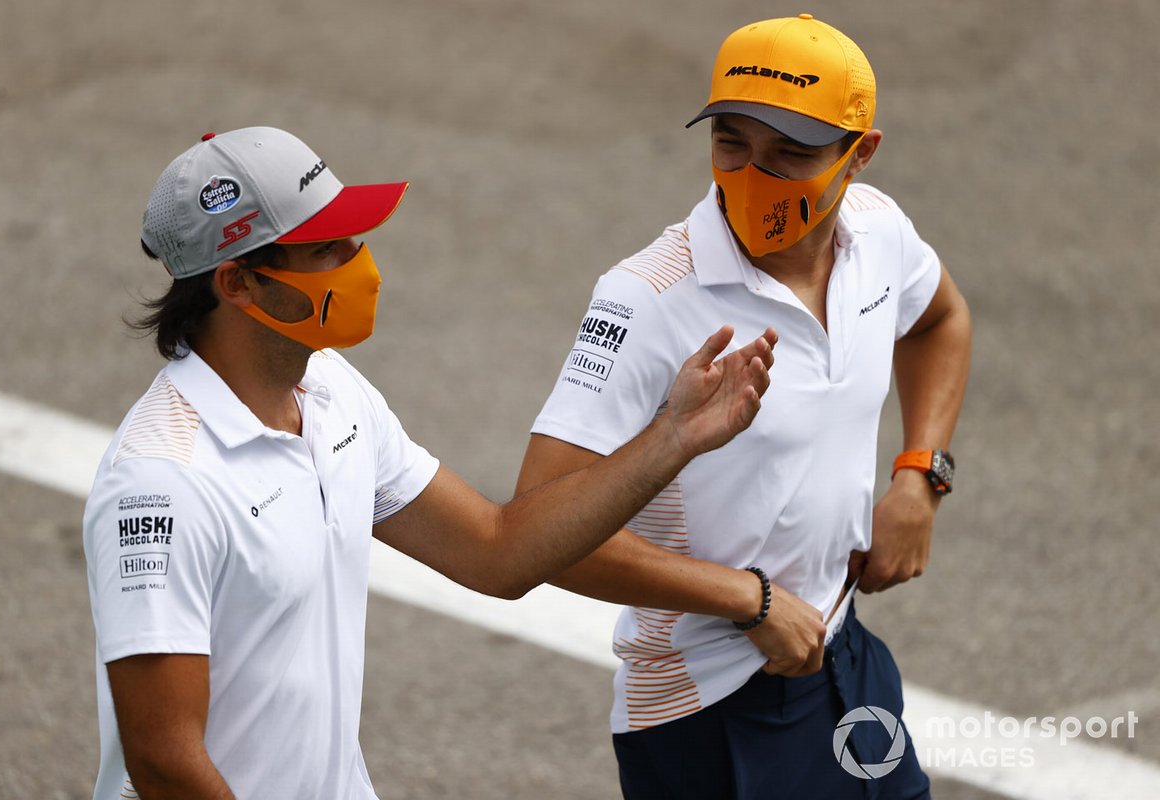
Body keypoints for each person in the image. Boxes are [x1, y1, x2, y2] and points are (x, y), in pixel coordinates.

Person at [81, 126, 778, 799]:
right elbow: (165, 761)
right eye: (328, 249)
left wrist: (672, 438)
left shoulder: (332, 394)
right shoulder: (162, 484)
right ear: (238, 283)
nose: (361, 261)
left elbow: (496, 552)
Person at [516, 14, 971, 799]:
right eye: (733, 144)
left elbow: (939, 321)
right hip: (708, 710)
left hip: (844, 658)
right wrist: (748, 600)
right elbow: (539, 529)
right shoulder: (648, 297)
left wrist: (920, 474)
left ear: (861, 154)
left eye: (791, 153)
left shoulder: (879, 233)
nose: (755, 176)